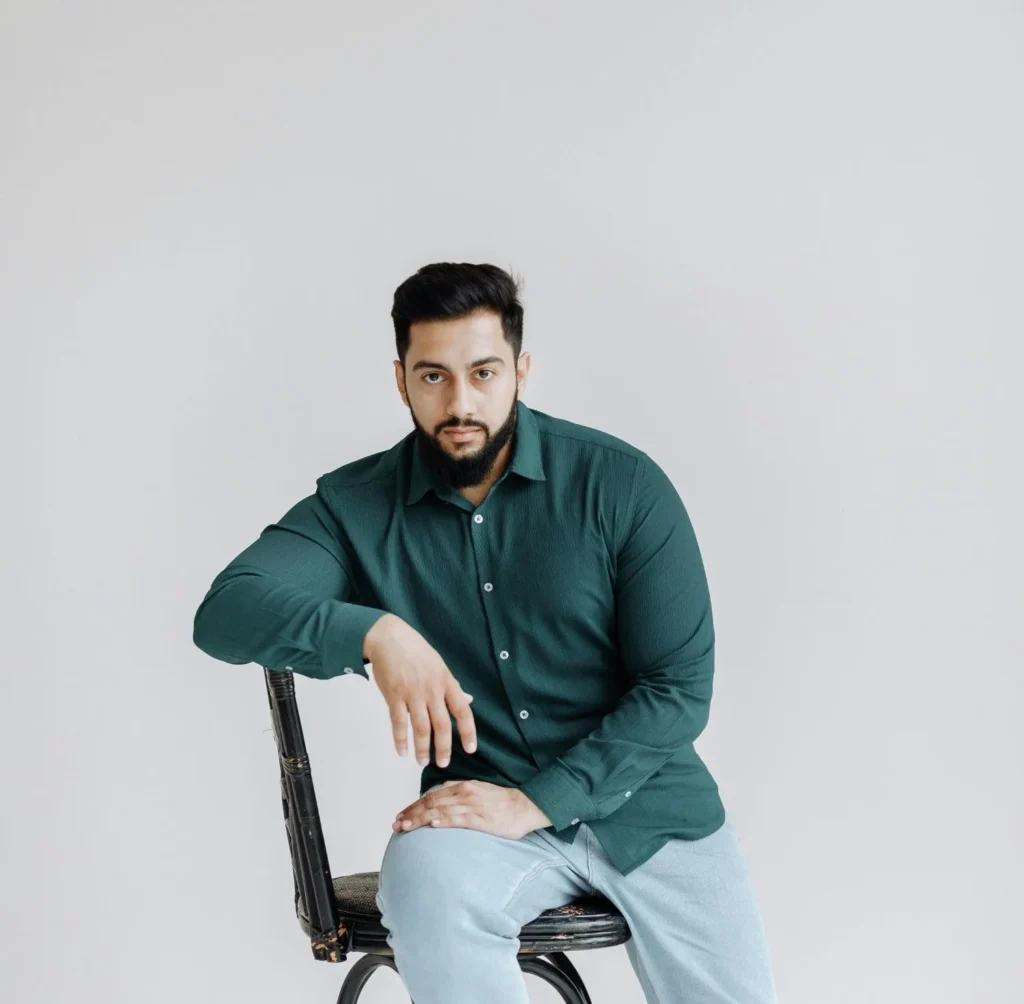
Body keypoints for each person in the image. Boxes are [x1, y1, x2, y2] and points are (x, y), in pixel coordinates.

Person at [192, 261, 779, 1003]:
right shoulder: (354, 508)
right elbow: (226, 612)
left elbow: (678, 690)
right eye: (434, 376)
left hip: (653, 812)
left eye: (484, 371)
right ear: (400, 378)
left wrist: (536, 803)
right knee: (426, 888)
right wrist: (376, 633)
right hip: (475, 823)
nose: (460, 400)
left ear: (521, 371)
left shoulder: (620, 486)